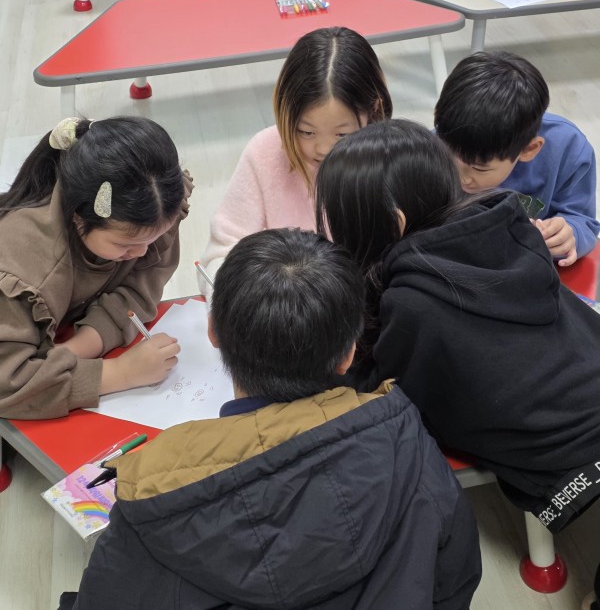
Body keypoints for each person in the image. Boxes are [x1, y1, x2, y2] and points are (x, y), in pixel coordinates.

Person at [59, 227, 481, 610]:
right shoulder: (410, 444)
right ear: (349, 354)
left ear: (213, 333)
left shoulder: (153, 496)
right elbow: (452, 582)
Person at [315, 119, 600, 606]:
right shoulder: (510, 223)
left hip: (565, 454)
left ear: (395, 223)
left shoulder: (412, 302)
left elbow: (385, 393)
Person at [0, 116, 193, 420]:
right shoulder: (23, 269)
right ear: (79, 217)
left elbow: (140, 287)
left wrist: (79, 347)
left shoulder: (153, 207)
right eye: (125, 245)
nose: (142, 252)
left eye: (153, 238)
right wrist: (119, 373)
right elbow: (7, 384)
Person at [198, 26, 393, 293]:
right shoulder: (265, 152)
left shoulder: (393, 160)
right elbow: (220, 256)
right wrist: (230, 303)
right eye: (306, 132)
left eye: (342, 134)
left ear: (374, 110)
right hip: (283, 307)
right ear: (285, 111)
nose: (323, 149)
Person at [434, 50, 600, 267]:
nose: (462, 178)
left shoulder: (568, 150)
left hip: (529, 269)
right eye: (450, 158)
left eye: (480, 168)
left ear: (529, 150)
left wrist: (570, 234)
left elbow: (583, 221)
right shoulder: (432, 144)